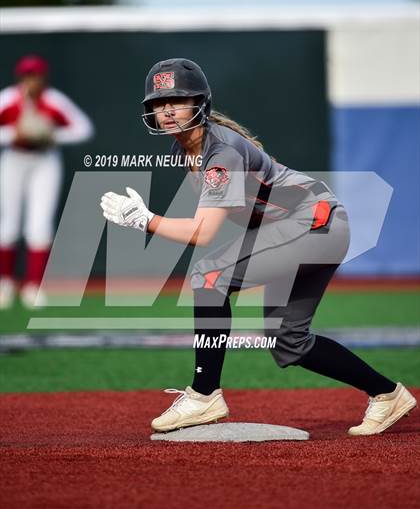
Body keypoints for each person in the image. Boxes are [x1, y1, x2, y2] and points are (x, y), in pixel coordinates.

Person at [100, 58, 417, 436]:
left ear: (201, 102)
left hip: (313, 223)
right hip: (312, 223)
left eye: (177, 100)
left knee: (208, 274)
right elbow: (231, 219)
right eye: (159, 102)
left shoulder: (220, 151)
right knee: (289, 340)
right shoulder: (189, 149)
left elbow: (203, 233)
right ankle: (387, 394)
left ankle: (204, 395)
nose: (166, 110)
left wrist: (144, 220)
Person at [0, 55, 94, 309]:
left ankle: (33, 287)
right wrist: (13, 134)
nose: (33, 80)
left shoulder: (53, 100)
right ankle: (5, 284)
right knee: (8, 224)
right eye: (28, 75)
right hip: (14, 158)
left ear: (43, 77)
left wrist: (52, 135)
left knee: (39, 225)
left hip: (44, 159)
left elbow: (84, 129)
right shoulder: (8, 99)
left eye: (37, 75)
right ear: (21, 77)